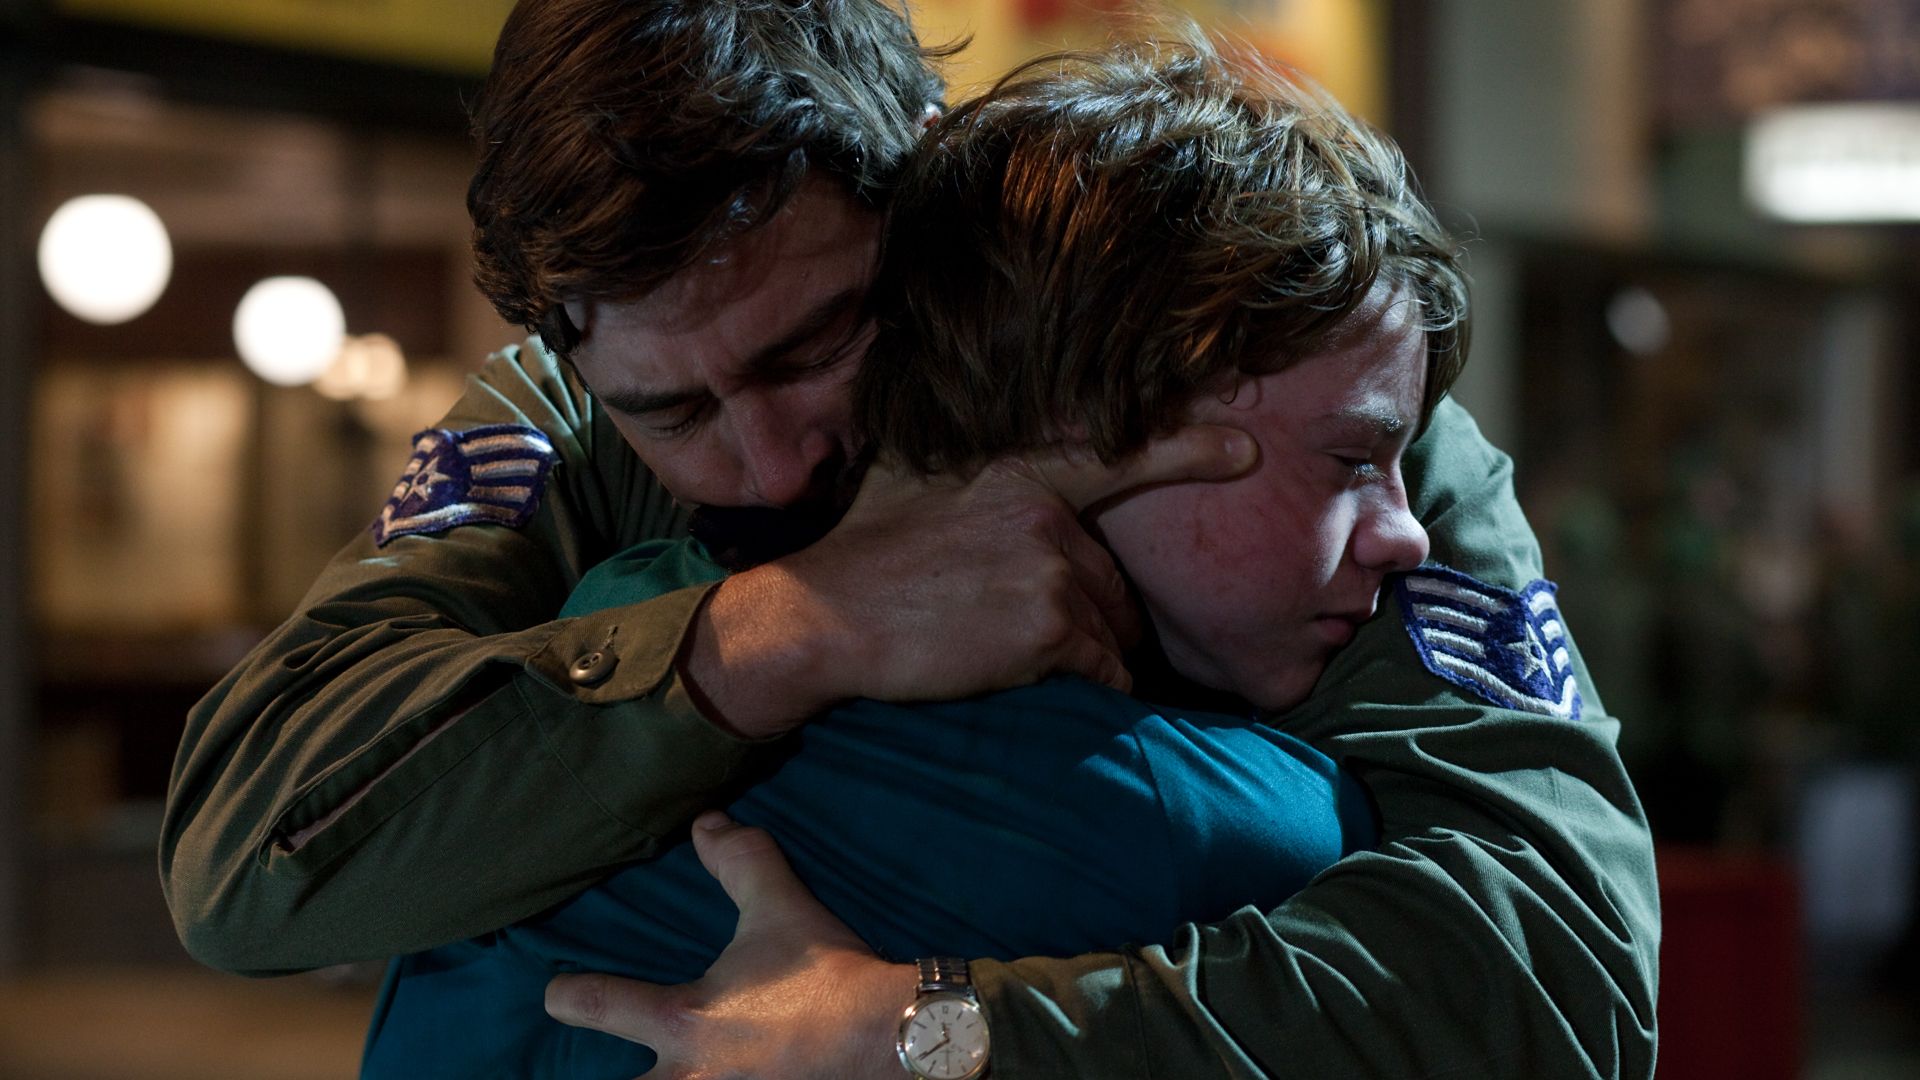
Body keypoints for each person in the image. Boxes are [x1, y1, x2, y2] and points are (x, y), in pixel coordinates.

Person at [160, 2, 1658, 1076]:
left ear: (940, 200)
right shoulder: (569, 418)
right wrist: (781, 632)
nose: (768, 457)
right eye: (675, 410)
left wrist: (936, 1030)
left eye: (816, 345)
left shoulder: (1294, 398)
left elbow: (1565, 969)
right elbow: (249, 851)